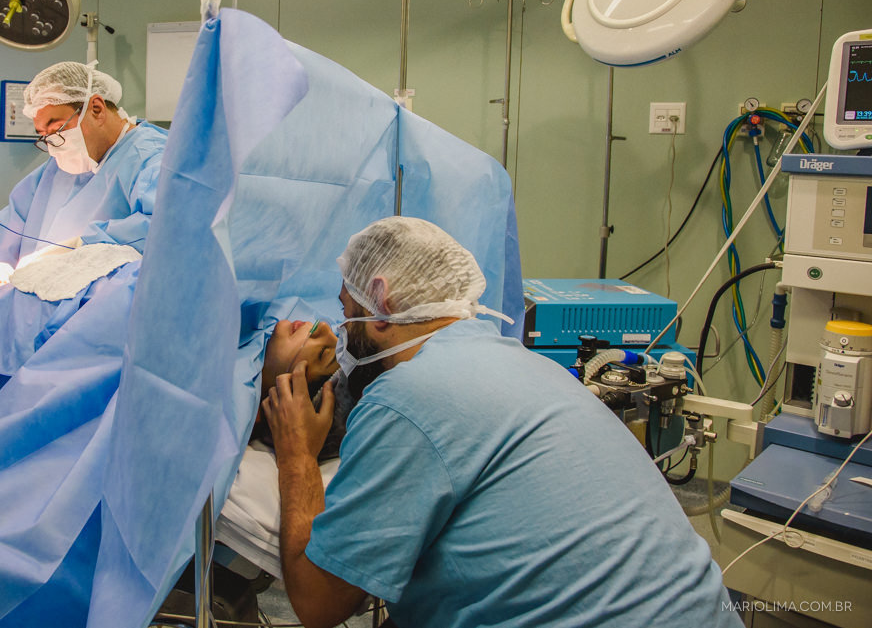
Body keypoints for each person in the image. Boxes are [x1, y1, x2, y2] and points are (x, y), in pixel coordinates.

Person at [261, 216, 740, 628]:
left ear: (381, 302)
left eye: (347, 315)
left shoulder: (407, 398)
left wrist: (297, 453)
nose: (336, 330)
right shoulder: (527, 364)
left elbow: (317, 604)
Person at [0, 60, 167, 270]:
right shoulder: (56, 169)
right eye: (45, 136)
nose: (54, 146)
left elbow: (163, 229)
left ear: (97, 109)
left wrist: (82, 247)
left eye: (56, 130)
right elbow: (6, 234)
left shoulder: (152, 158)